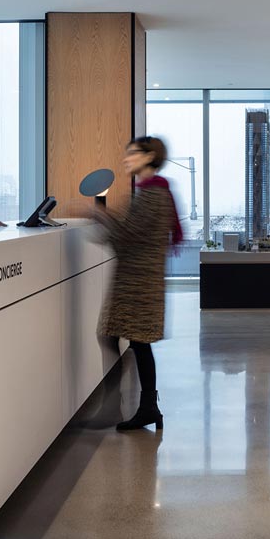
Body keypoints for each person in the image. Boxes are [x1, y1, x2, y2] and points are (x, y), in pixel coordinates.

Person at [91, 136, 183, 431]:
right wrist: (105, 216)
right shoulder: (154, 191)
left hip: (137, 284)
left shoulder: (152, 195)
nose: (126, 158)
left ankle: (116, 407)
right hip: (141, 281)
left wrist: (100, 213)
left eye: (132, 153)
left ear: (148, 157)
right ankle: (146, 407)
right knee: (137, 343)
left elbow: (126, 236)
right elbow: (130, 232)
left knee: (116, 338)